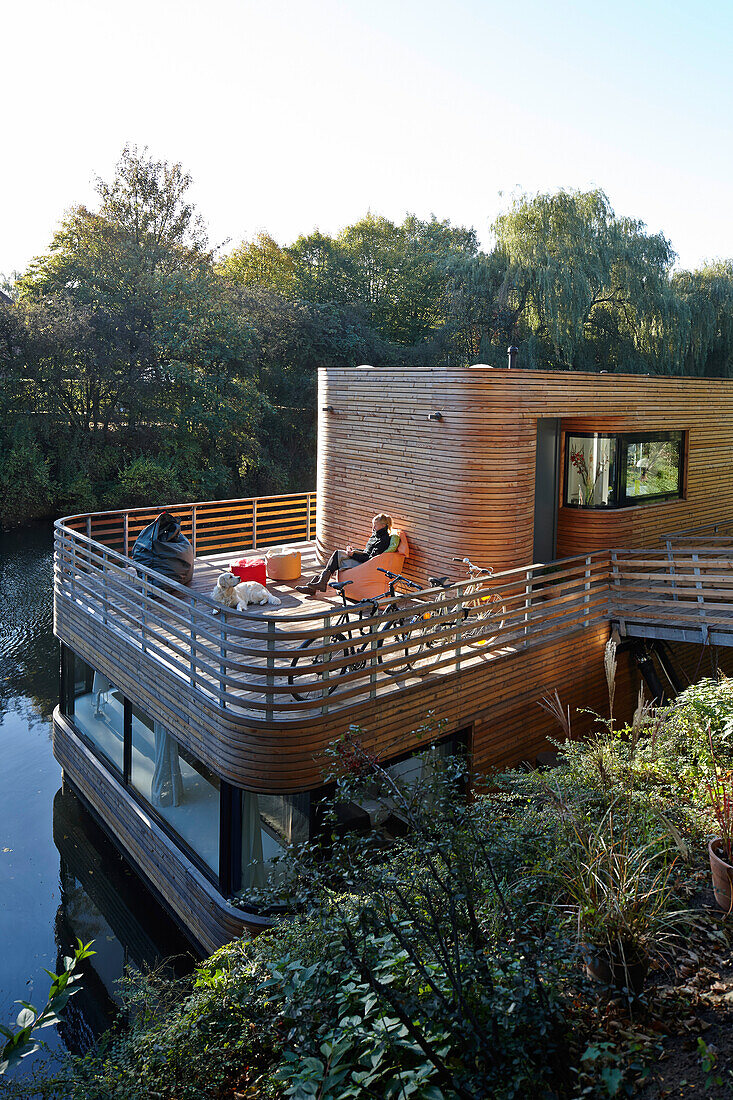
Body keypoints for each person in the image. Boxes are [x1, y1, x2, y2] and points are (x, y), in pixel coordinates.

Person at [296, 513, 393, 595]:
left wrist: (353, 555)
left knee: (337, 557)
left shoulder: (383, 540)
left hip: (365, 565)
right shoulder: (376, 536)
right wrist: (354, 551)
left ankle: (317, 585)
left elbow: (370, 559)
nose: (373, 528)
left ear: (383, 526)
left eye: (375, 525)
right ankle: (318, 584)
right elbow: (367, 551)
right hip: (363, 558)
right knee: (338, 554)